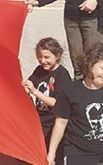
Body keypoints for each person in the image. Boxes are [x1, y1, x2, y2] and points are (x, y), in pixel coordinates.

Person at [22, 37, 71, 165]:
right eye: (39, 57)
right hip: (39, 120)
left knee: (50, 156)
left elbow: (58, 104)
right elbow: (29, 85)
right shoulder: (39, 70)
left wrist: (35, 91)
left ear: (57, 55)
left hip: (53, 123)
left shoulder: (62, 75)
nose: (42, 61)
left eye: (46, 57)